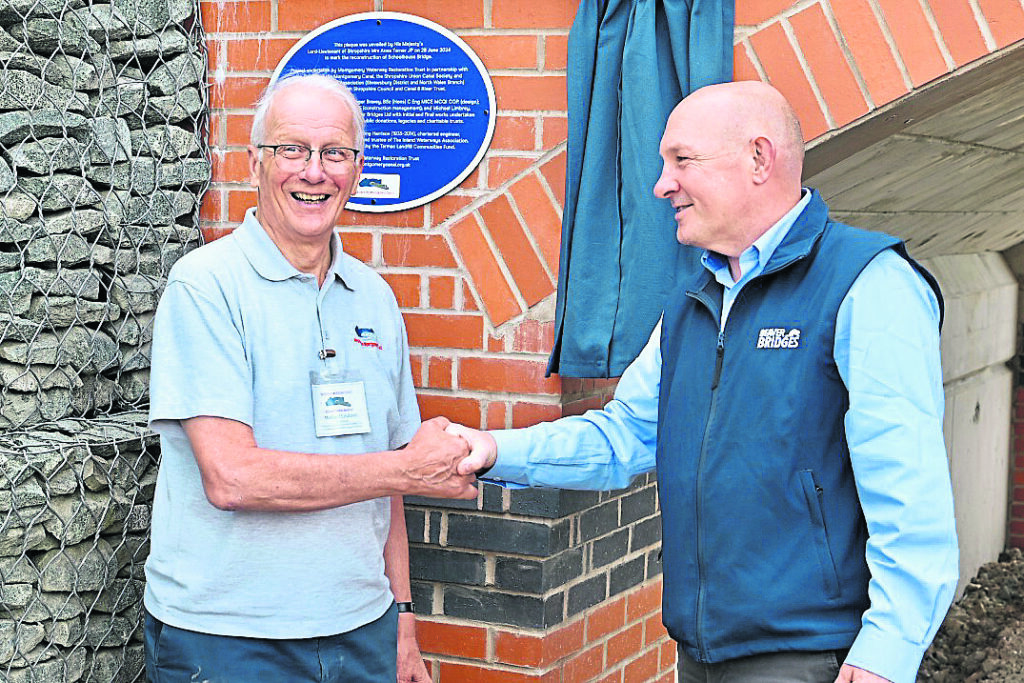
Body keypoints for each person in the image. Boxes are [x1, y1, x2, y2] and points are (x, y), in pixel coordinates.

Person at [451, 81, 959, 683]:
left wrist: (889, 651)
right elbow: (624, 437)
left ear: (758, 158)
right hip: (701, 654)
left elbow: (910, 489)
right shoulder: (693, 299)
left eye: (681, 160)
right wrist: (490, 451)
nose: (662, 184)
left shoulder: (868, 284)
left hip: (812, 659)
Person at [144, 74, 476, 683]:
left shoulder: (374, 297)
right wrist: (401, 468)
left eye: (335, 153)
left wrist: (402, 620)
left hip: (363, 630)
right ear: (256, 162)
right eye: (292, 150)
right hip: (231, 640)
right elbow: (233, 477)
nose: (314, 172)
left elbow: (389, 486)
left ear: (357, 167)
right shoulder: (206, 287)